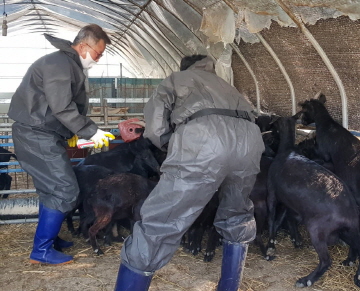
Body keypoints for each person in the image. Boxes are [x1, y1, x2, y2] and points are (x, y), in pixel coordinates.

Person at [114, 55, 265, 291]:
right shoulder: (227, 86)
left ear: (184, 67)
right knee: (237, 213)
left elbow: (155, 121)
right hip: (249, 141)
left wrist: (170, 145)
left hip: (204, 140)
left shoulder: (178, 79)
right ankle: (229, 287)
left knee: (161, 221)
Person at [7, 24, 115, 265]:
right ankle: (41, 250)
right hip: (36, 134)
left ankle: (50, 239)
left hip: (44, 133)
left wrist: (72, 133)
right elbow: (61, 106)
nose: (98, 59)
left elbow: (58, 107)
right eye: (98, 53)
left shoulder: (67, 64)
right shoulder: (59, 64)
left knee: (51, 189)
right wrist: (91, 131)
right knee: (65, 189)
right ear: (84, 45)